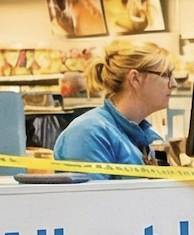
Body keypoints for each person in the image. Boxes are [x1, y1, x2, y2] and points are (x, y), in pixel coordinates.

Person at [53, 38, 179, 168]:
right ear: (135, 79)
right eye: (166, 75)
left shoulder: (139, 136)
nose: (174, 84)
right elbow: (93, 189)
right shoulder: (89, 134)